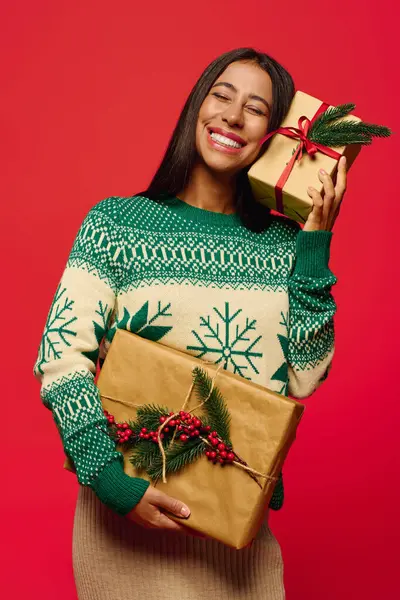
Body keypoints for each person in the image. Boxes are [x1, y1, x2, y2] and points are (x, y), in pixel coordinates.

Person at [33, 47, 346, 599]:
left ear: (273, 136)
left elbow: (303, 377)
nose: (232, 115)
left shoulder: (285, 247)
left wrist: (315, 244)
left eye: (256, 108)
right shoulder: (117, 224)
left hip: (234, 533)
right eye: (221, 95)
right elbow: (61, 358)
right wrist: (111, 483)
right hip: (122, 521)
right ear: (195, 107)